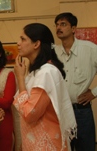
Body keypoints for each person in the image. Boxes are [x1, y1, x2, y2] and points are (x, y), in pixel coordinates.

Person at [13, 23, 77, 151]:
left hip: (47, 143)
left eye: (23, 39)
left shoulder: (46, 72)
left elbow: (30, 114)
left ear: (36, 44)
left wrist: (20, 78)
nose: (18, 43)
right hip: (36, 142)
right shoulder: (37, 72)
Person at [54, 12, 97, 151]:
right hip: (59, 112)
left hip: (81, 111)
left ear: (73, 29)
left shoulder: (90, 49)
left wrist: (94, 92)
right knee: (62, 148)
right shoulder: (53, 52)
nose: (59, 27)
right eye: (57, 24)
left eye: (63, 24)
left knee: (86, 148)